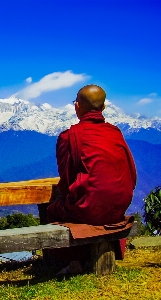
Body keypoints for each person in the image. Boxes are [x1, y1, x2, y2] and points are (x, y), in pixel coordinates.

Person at [47, 84, 137, 275]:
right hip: (119, 206)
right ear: (103, 108)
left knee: (54, 210)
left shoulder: (68, 137)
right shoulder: (116, 133)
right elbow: (131, 172)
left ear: (77, 106)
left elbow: (68, 179)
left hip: (88, 208)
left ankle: (74, 263)